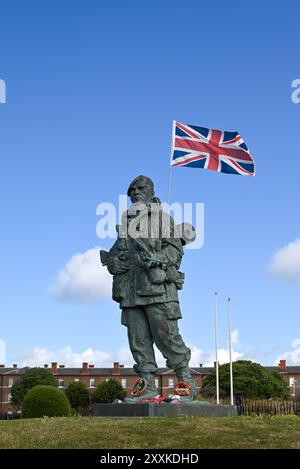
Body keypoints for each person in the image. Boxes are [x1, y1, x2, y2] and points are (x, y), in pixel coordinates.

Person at [100, 175, 196, 401]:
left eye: (140, 188)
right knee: (138, 340)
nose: (134, 192)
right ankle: (147, 385)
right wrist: (114, 262)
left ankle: (185, 381)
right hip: (130, 292)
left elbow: (175, 251)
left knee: (167, 337)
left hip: (157, 289)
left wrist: (153, 259)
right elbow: (116, 253)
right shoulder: (126, 226)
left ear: (151, 193)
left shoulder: (163, 219)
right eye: (131, 190)